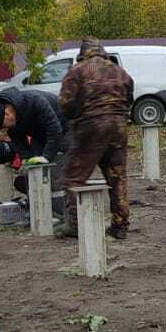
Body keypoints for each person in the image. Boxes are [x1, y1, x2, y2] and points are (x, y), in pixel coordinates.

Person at [55, 38, 133, 240]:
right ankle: (120, 226)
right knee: (117, 176)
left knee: (73, 177)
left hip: (91, 127)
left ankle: (75, 224)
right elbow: (129, 97)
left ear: (82, 53)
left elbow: (65, 104)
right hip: (118, 126)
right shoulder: (120, 71)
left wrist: (76, 117)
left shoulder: (77, 70)